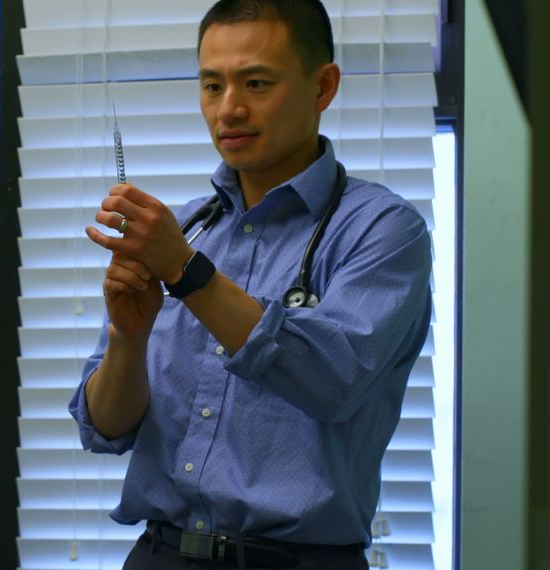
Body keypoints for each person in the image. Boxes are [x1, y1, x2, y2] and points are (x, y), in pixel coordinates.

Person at [70, 1, 433, 569]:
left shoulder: (382, 230)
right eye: (211, 86)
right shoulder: (186, 229)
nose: (229, 109)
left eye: (256, 82)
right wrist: (127, 336)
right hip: (160, 554)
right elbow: (106, 427)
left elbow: (334, 381)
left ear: (323, 87)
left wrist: (187, 275)